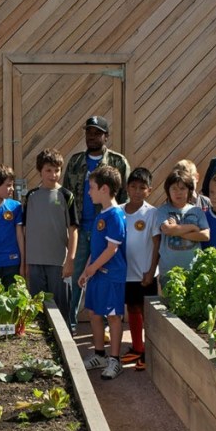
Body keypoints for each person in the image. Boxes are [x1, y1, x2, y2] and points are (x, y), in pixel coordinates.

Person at [63, 116, 130, 333]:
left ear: (106, 136)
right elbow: (66, 197)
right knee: (75, 278)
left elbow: (125, 198)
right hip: (81, 228)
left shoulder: (118, 162)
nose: (91, 137)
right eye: (88, 132)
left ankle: (106, 329)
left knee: (103, 275)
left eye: (96, 133)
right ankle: (70, 324)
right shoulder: (74, 162)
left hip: (106, 230)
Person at [78, 165, 127, 381]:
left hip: (111, 275)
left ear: (104, 189)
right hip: (97, 274)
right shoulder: (101, 215)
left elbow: (112, 249)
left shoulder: (115, 215)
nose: (89, 192)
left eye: (92, 187)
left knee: (114, 317)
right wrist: (86, 270)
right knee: (94, 314)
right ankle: (99, 355)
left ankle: (115, 360)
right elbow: (96, 249)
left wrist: (93, 268)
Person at [21, 148, 77, 318]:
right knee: (37, 308)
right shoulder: (31, 196)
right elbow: (25, 229)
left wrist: (70, 260)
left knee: (61, 308)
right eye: (48, 170)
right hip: (35, 261)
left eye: (57, 170)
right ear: (40, 171)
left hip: (58, 262)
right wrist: (25, 262)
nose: (53, 175)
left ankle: (66, 341)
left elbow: (73, 230)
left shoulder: (66, 195)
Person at [122, 168, 159, 372]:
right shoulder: (118, 210)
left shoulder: (151, 213)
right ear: (127, 187)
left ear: (149, 190)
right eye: (133, 187)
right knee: (132, 308)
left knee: (147, 312)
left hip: (145, 274)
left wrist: (151, 270)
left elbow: (156, 243)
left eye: (142, 188)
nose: (137, 191)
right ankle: (137, 347)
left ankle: (150, 352)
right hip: (126, 273)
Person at [156, 169, 209, 290]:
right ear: (168, 190)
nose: (178, 192)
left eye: (182, 188)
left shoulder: (197, 211)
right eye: (174, 188)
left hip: (193, 270)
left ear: (190, 190)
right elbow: (168, 230)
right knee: (169, 307)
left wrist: (178, 230)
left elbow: (206, 235)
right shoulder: (163, 210)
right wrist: (193, 228)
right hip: (169, 272)